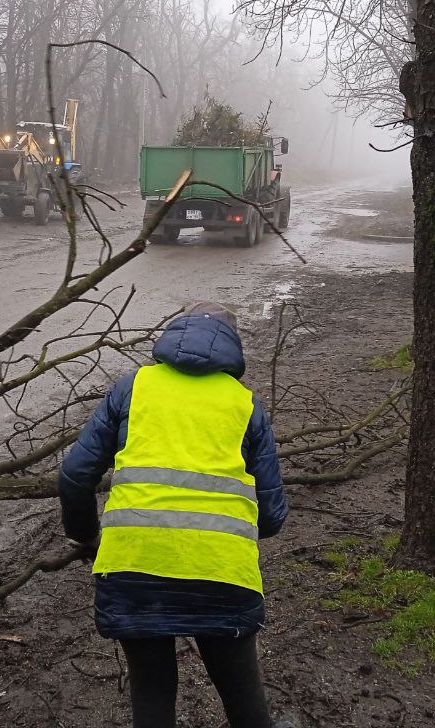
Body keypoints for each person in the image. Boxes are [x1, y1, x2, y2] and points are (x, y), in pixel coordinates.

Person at [58, 301, 288, 728]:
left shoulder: (132, 387)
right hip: (222, 573)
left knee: (151, 691)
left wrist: (88, 538)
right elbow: (272, 516)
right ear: (232, 348)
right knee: (241, 694)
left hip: (133, 568)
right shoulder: (245, 405)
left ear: (170, 336)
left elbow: (75, 475)